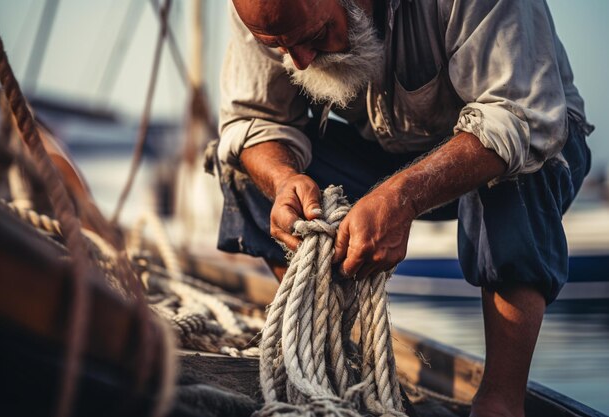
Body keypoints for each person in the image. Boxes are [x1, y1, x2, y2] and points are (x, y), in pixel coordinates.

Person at [213, 0, 594, 416]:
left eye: (316, 38)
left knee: (521, 165)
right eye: (282, 48)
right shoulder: (267, 13)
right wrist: (285, 179)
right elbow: (254, 117)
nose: (301, 64)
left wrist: (402, 197)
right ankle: (331, 358)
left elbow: (519, 116)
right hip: (386, 152)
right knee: (247, 166)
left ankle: (501, 399)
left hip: (519, 137)